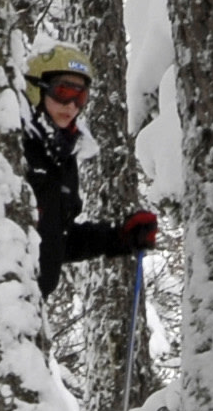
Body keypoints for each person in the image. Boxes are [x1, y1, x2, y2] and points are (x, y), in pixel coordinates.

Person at [19, 43, 158, 297]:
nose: (72, 105)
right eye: (63, 92)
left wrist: (120, 238)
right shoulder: (14, 146)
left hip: (31, 309)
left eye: (80, 96)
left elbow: (56, 240)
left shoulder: (61, 157)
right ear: (36, 88)